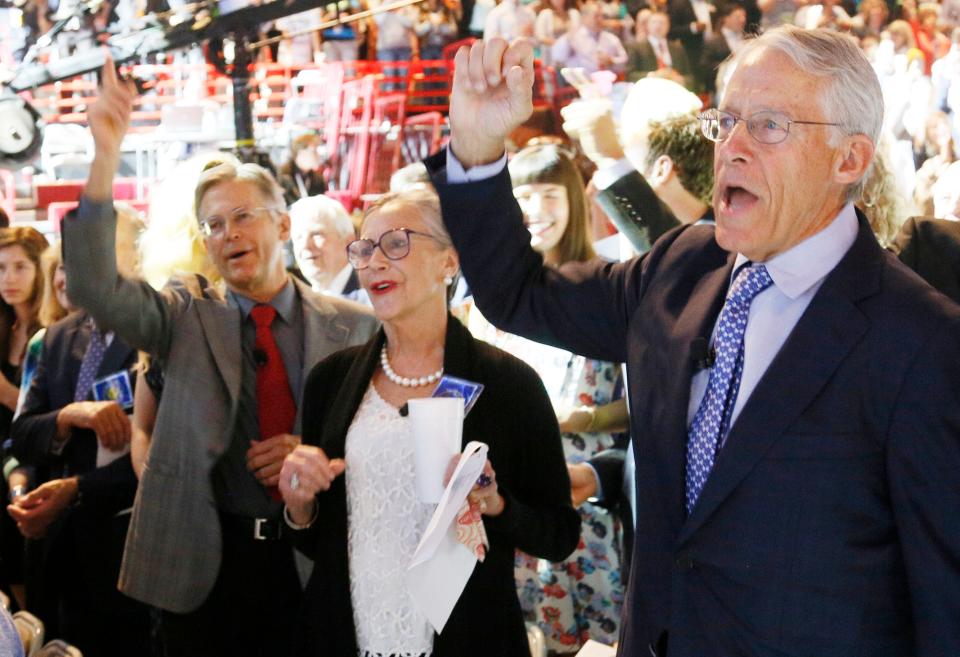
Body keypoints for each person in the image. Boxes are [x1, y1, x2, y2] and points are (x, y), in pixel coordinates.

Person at [434, 28, 960, 656]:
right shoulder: (681, 266)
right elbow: (518, 293)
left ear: (848, 159)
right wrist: (476, 143)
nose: (731, 147)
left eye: (768, 125)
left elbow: (944, 600)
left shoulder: (920, 342)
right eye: (727, 121)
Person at [60, 59, 378, 657]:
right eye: (212, 225)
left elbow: (388, 447)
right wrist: (104, 155)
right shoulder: (184, 315)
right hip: (205, 573)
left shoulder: (356, 330)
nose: (227, 233)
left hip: (314, 564)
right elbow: (96, 287)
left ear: (282, 223)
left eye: (241, 217)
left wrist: (317, 455)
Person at [278, 186, 581, 657]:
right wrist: (300, 505)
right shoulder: (331, 382)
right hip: (350, 631)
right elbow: (324, 544)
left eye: (396, 243)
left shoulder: (509, 384)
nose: (374, 261)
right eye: (363, 249)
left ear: (449, 261)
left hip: (467, 637)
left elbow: (560, 534)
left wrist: (496, 504)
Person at [467, 144, 625, 652]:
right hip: (517, 501)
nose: (535, 209)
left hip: (593, 499)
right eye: (523, 196)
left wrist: (579, 419)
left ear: (574, 201)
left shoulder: (610, 287)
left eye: (549, 194)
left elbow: (647, 401)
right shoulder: (495, 301)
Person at [8, 205, 149, 657]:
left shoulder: (156, 336)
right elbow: (25, 433)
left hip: (125, 550)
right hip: (57, 553)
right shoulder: (57, 337)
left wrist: (77, 489)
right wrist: (71, 415)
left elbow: (164, 452)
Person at [288, 194, 360, 298]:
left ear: (348, 242)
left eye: (316, 234)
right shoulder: (298, 302)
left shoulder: (369, 298)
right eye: (298, 237)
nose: (305, 245)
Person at [551, 1, 628, 74]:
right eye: (596, 16)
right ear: (584, 18)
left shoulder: (611, 38)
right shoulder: (573, 38)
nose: (600, 19)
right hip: (580, 84)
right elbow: (558, 57)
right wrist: (568, 38)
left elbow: (625, 60)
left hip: (607, 81)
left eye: (602, 16)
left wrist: (612, 61)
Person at [626, 11, 694, 87]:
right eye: (654, 22)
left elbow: (689, 77)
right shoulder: (636, 47)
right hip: (649, 90)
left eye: (662, 23)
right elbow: (630, 75)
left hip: (675, 89)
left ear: (668, 26)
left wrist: (681, 79)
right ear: (647, 26)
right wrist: (653, 75)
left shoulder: (678, 48)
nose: (658, 26)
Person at [277, 133, 328, 206]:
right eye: (314, 151)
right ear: (301, 152)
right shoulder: (282, 177)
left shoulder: (318, 180)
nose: (319, 156)